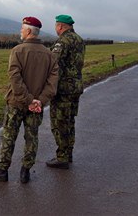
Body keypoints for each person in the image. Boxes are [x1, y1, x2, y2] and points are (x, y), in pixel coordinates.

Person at [0, 16, 59, 183]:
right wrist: (39, 100)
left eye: (22, 28)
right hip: (37, 105)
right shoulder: (49, 55)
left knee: (9, 135)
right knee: (32, 137)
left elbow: (15, 78)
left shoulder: (17, 51)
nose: (20, 31)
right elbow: (52, 82)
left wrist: (27, 99)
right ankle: (25, 171)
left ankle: (2, 169)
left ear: (28, 31)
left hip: (17, 102)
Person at [46, 14, 85, 169]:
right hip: (75, 86)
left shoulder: (62, 41)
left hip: (63, 89)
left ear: (60, 26)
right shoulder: (79, 40)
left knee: (59, 123)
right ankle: (68, 153)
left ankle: (62, 157)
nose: (56, 28)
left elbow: (53, 64)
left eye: (56, 26)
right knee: (70, 121)